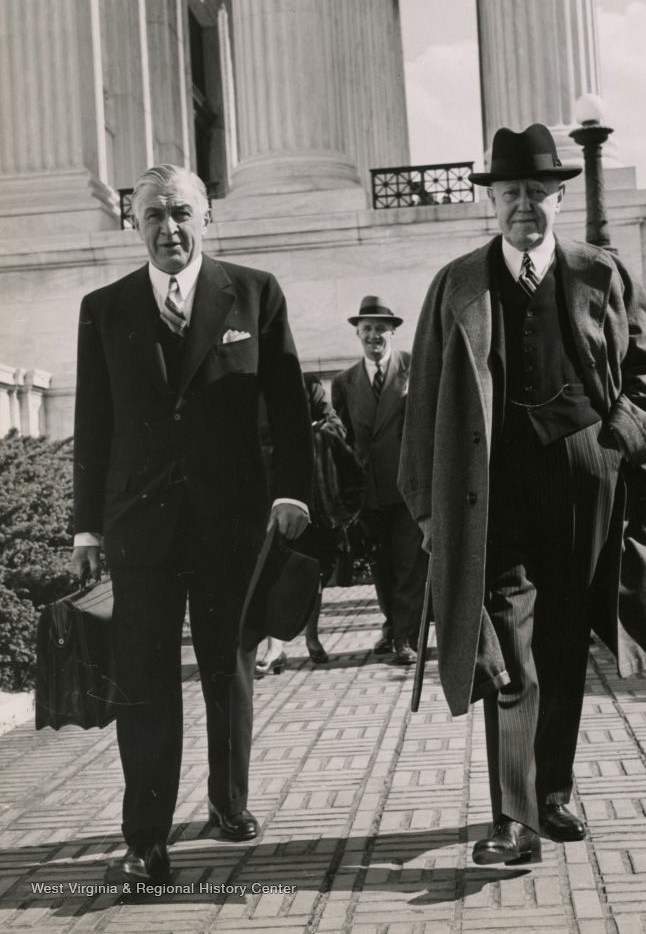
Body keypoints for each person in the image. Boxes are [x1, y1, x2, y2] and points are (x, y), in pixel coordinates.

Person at [399, 124, 646, 867]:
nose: (524, 206)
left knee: (564, 642)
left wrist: (621, 437)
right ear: (492, 201)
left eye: (538, 192)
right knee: (509, 645)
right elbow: (424, 406)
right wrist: (426, 508)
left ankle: (552, 792)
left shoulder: (600, 273)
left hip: (587, 480)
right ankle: (511, 818)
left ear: (559, 198)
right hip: (490, 492)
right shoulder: (457, 284)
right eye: (510, 192)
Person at [70, 164, 313, 884]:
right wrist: (86, 529)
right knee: (145, 680)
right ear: (134, 223)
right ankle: (146, 836)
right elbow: (93, 423)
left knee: (227, 668)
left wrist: (293, 493)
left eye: (181, 212)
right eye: (153, 215)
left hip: (229, 521)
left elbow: (288, 405)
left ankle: (228, 803)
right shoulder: (103, 308)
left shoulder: (256, 293)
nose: (168, 228)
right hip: (139, 526)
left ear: (208, 216)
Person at [332, 296, 428, 666]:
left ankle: (406, 638)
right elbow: (342, 441)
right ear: (358, 334)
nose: (374, 335)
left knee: (408, 565)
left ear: (393, 332)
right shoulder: (344, 382)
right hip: (368, 491)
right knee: (382, 566)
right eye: (367, 329)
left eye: (381, 329)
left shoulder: (415, 366)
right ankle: (392, 627)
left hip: (408, 486)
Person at [256, 372, 349, 673]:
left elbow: (336, 426)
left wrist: (306, 434)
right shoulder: (243, 381)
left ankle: (312, 636)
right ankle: (275, 647)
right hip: (260, 491)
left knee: (311, 566)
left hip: (304, 493)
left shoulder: (306, 383)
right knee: (268, 565)